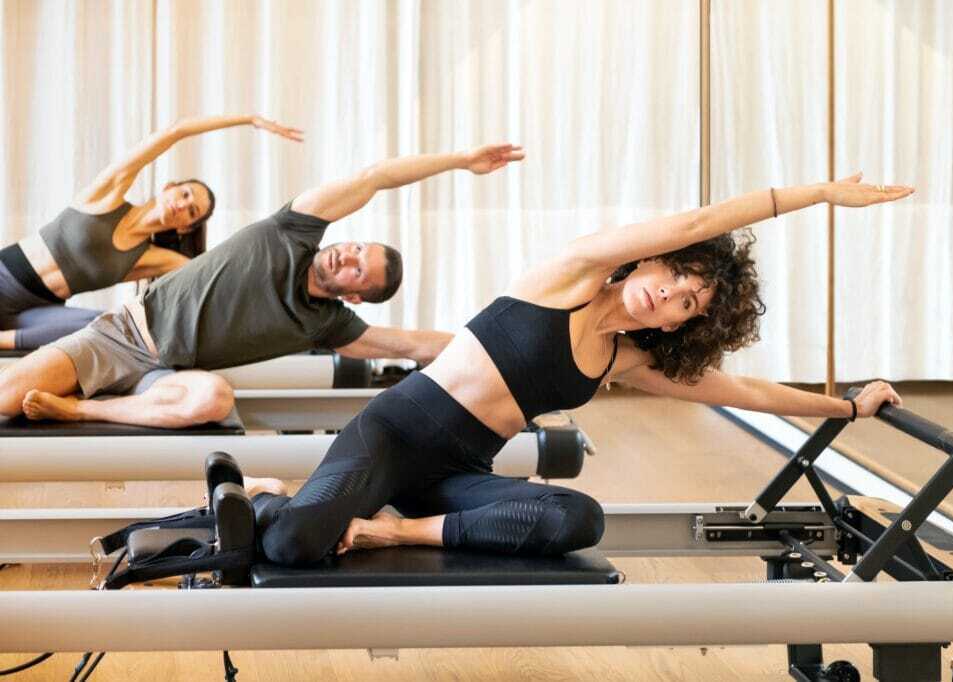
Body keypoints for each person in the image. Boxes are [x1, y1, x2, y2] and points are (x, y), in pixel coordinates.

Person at [246, 173, 913, 566]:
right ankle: (265, 494)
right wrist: (817, 193)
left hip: (454, 478)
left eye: (687, 304)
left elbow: (742, 390)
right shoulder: (571, 274)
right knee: (291, 543)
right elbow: (704, 219)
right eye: (677, 274)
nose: (670, 295)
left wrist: (846, 407)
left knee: (577, 519)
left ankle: (392, 531)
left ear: (677, 326)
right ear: (652, 258)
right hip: (394, 434)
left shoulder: (626, 358)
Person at [0, 144, 525, 427]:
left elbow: (414, 345)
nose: (347, 256)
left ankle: (82, 407)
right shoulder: (291, 230)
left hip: (163, 376)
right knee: (6, 399)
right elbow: (374, 177)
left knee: (212, 398)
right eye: (356, 247)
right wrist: (460, 162)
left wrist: (519, 352)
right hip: (120, 336)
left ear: (355, 295)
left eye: (358, 271)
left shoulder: (328, 325)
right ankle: (79, 394)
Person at [0, 114, 302, 351]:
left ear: (185, 227)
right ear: (168, 187)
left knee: (104, 324)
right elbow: (175, 131)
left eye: (192, 211)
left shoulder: (152, 259)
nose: (182, 205)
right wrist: (249, 119)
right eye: (185, 194)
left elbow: (220, 280)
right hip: (4, 280)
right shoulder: (106, 196)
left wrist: (290, 294)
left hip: (33, 313)